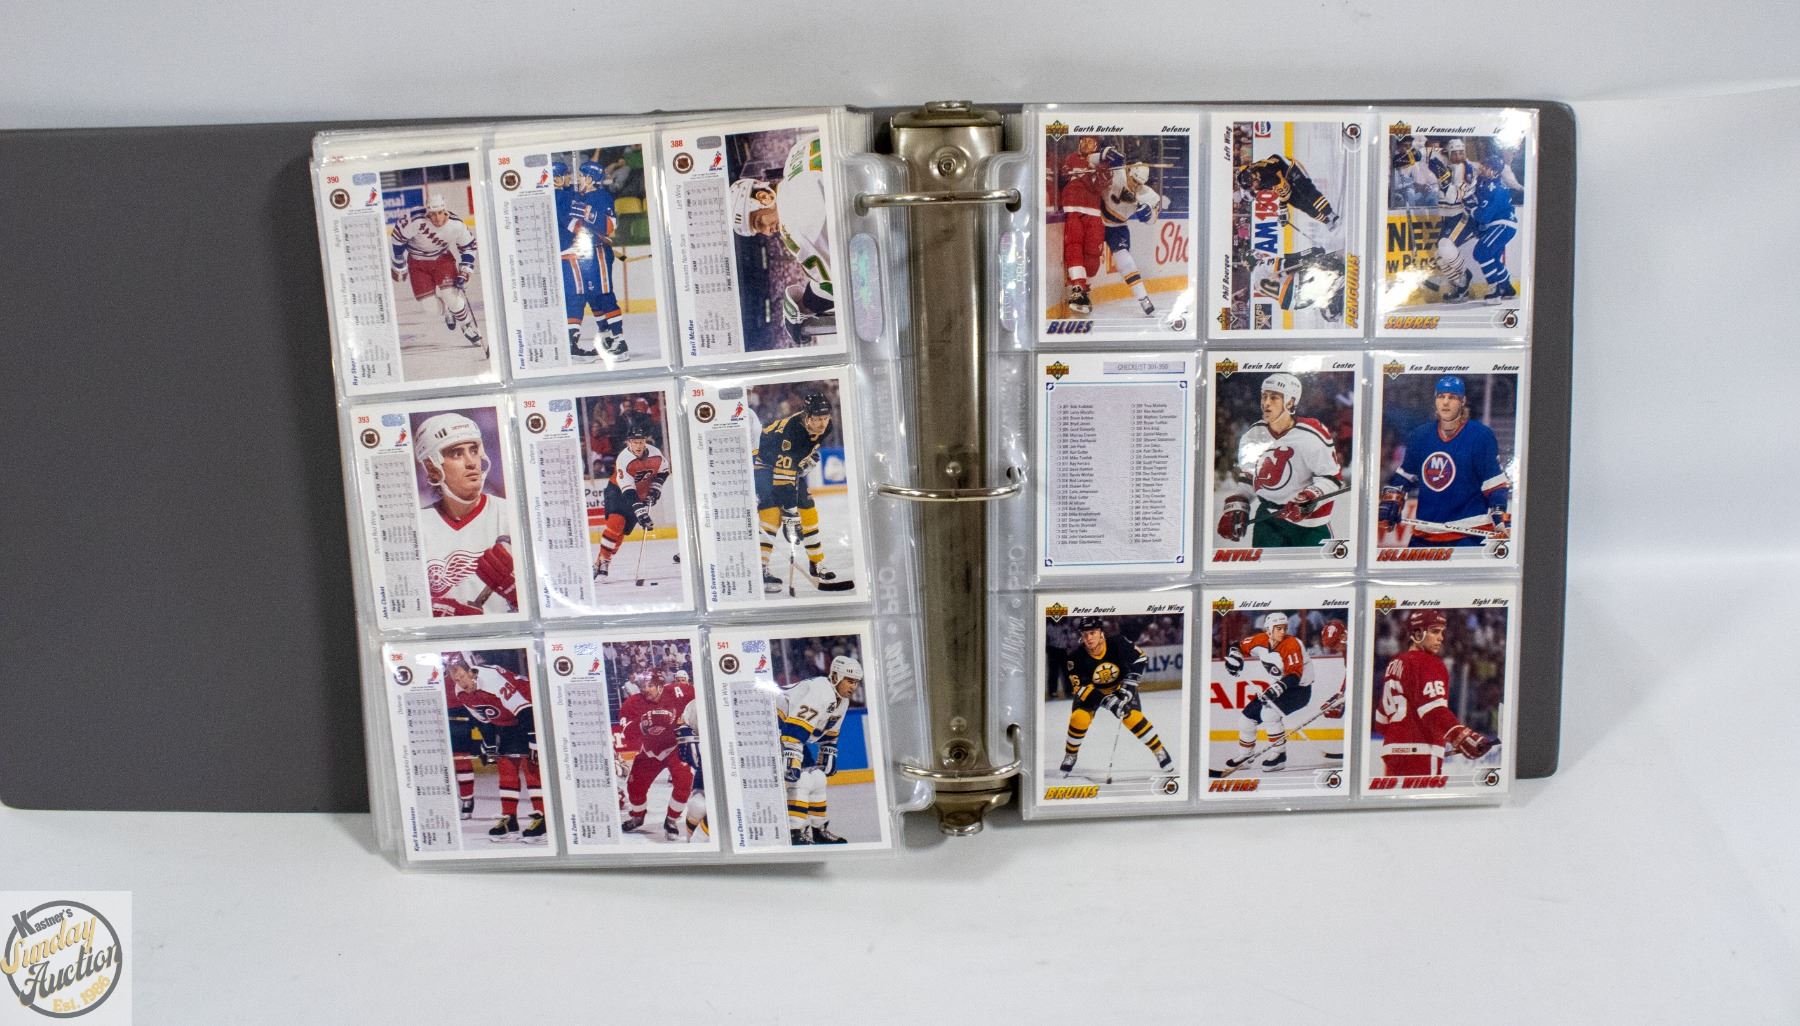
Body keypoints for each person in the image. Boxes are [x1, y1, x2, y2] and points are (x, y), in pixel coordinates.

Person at [728, 131, 835, 345]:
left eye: (759, 222)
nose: (768, 232)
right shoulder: (797, 153)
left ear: (763, 197)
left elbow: (832, 288)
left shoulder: (795, 230)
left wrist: (802, 305)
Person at [1378, 374, 1511, 546]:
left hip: (1467, 534)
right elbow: (1405, 476)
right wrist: (1392, 499)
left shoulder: (1481, 436)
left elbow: (1494, 483)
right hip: (1425, 532)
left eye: (1452, 397)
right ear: (1435, 400)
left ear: (1463, 401)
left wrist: (1499, 514)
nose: (1445, 402)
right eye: (1441, 396)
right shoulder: (1420, 436)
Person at [1218, 373, 1345, 549]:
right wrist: (1238, 504)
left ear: (1290, 402)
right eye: (1264, 396)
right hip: (1268, 522)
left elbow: (1332, 478)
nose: (1266, 403)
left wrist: (1310, 496)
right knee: (1265, 568)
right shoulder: (1252, 436)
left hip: (1309, 526)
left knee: (1314, 566)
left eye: (1274, 397)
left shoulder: (1311, 434)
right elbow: (1250, 480)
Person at [412, 413, 515, 617]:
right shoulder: (416, 528)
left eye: (474, 450)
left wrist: (518, 593)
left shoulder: (511, 515)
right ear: (432, 467)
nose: (471, 462)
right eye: (457, 453)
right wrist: (434, 612)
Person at [1372, 610, 1497, 776]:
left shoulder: (1394, 663)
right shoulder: (1428, 663)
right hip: (1421, 753)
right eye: (1435, 631)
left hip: (1392, 752)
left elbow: (1381, 722)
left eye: (1442, 632)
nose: (1441, 638)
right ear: (1417, 634)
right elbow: (1433, 711)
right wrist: (1462, 736)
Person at [444, 653, 546, 840]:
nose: (461, 683)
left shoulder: (491, 680)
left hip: (533, 708)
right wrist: (489, 744)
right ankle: (510, 820)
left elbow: (525, 710)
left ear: (472, 672)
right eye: (456, 679)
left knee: (531, 766)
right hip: (508, 719)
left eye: (463, 677)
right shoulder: (460, 692)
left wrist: (534, 742)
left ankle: (542, 818)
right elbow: (484, 720)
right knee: (506, 767)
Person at [753, 392, 848, 593]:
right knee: (772, 515)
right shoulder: (792, 432)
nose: (822, 424)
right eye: (817, 419)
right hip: (762, 464)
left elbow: (798, 457)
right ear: (807, 417)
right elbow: (783, 481)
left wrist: (807, 458)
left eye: (825, 418)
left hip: (786, 466)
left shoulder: (827, 427)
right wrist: (790, 517)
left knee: (808, 511)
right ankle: (760, 567)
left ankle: (816, 563)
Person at [1058, 618, 1175, 775]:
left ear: (1101, 633)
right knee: (1079, 718)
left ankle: (1159, 750)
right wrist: (1110, 703)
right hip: (1093, 692)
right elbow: (1082, 688)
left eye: (1092, 633)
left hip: (1119, 687)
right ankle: (1071, 754)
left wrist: (1130, 685)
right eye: (1085, 634)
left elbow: (1140, 657)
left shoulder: (1117, 642)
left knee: (1132, 717)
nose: (1089, 638)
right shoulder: (1075, 657)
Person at [776, 655, 863, 845]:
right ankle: (794, 832)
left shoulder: (842, 700)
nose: (854, 687)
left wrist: (828, 752)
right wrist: (791, 757)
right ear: (836, 677)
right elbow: (794, 729)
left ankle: (818, 830)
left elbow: (830, 734)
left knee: (817, 778)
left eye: (856, 682)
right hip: (772, 730)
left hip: (788, 734)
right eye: (850, 681)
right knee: (801, 780)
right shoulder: (820, 691)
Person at [1221, 612, 1319, 771]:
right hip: (1279, 687)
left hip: (1299, 690)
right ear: (1268, 629)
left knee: (1269, 714)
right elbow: (1236, 646)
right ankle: (1245, 756)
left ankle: (1279, 755)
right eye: (1278, 628)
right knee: (1246, 719)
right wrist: (1235, 658)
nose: (1283, 631)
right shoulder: (1259, 640)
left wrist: (1276, 689)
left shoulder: (1292, 644)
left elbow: (1294, 676)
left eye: (1285, 628)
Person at [390, 191, 483, 349]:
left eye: (440, 213)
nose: (437, 218)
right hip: (417, 264)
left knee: (451, 297)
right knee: (431, 309)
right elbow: (398, 237)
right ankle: (447, 310)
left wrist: (465, 271)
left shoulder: (456, 225)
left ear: (445, 210)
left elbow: (468, 247)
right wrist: (399, 260)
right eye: (433, 214)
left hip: (442, 260)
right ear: (427, 213)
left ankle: (467, 325)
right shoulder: (415, 220)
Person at [556, 159, 626, 361]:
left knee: (604, 296)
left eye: (582, 176)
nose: (578, 178)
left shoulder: (602, 196)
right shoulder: (579, 195)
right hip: (587, 256)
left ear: (591, 179)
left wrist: (589, 214)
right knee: (593, 297)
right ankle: (606, 337)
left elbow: (610, 225)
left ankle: (620, 342)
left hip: (600, 252)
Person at [616, 671, 697, 840]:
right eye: (643, 686)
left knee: (684, 783)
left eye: (650, 685)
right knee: (635, 787)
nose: (646, 689)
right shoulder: (632, 703)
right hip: (650, 751)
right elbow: (626, 732)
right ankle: (638, 817)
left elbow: (702, 696)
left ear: (660, 685)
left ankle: (671, 820)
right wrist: (642, 725)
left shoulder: (678, 691)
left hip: (676, 747)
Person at [593, 412, 670, 580]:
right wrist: (641, 512)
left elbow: (664, 471)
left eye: (641, 441)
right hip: (618, 491)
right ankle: (604, 560)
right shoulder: (624, 459)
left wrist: (655, 489)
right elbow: (628, 490)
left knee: (621, 533)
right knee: (616, 523)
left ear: (645, 441)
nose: (638, 445)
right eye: (635, 442)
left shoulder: (656, 453)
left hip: (640, 493)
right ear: (628, 442)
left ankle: (600, 561)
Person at [1098, 149, 1170, 316]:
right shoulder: (1118, 172)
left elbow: (1152, 219)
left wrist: (1148, 213)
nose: (1135, 185)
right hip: (1096, 219)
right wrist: (1105, 154)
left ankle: (1143, 298)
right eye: (1134, 180)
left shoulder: (1148, 195)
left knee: (1126, 262)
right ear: (1129, 173)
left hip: (1117, 227)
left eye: (1139, 183)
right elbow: (1092, 162)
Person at [1057, 136, 1105, 315]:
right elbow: (1062, 179)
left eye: (1090, 142)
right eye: (1083, 140)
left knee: (1092, 257)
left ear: (1096, 145)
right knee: (1074, 246)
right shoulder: (1071, 158)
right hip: (1072, 208)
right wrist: (1081, 174)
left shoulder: (1101, 163)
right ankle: (1078, 289)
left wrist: (1097, 170)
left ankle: (1084, 288)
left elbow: (1101, 187)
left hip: (1093, 212)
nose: (1085, 144)